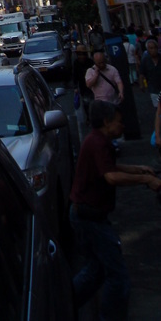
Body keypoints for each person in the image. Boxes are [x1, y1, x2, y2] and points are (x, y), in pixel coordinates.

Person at [70, 100, 161, 320]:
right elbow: (111, 176)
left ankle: (65, 305)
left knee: (96, 270)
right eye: (119, 122)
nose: (122, 126)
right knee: (118, 277)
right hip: (90, 217)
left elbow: (108, 168)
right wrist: (145, 179)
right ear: (107, 122)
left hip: (87, 214)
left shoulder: (98, 142)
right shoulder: (98, 143)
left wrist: (138, 169)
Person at [72, 45, 94, 143]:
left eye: (83, 54)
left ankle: (92, 117)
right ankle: (89, 117)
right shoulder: (76, 63)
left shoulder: (90, 62)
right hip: (83, 86)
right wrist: (75, 87)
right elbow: (75, 75)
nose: (82, 56)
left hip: (92, 85)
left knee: (91, 101)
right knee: (86, 103)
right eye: (80, 54)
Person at [139, 38, 161, 107]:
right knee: (157, 107)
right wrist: (141, 84)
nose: (153, 50)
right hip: (153, 87)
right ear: (147, 50)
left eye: (155, 48)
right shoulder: (145, 60)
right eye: (151, 48)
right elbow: (141, 73)